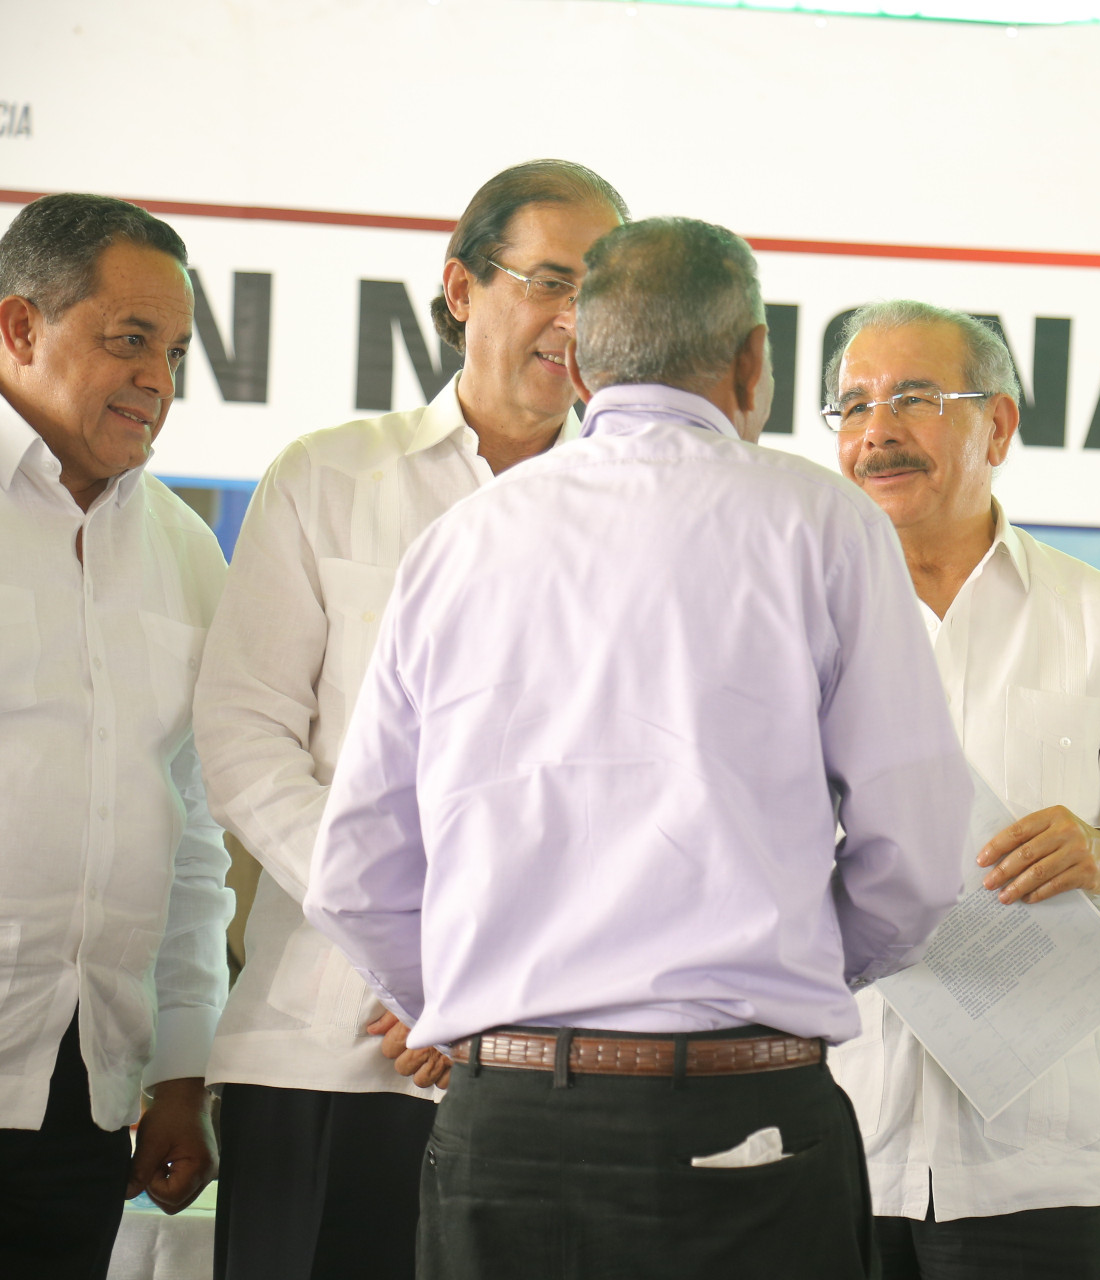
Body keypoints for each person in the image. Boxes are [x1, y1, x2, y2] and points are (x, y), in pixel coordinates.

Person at [305, 217, 971, 1279]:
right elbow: (920, 857)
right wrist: (773, 967)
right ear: (752, 360)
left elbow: (352, 878)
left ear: (578, 365)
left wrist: (491, 1013)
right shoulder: (823, 524)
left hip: (503, 1127)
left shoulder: (458, 542)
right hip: (743, 1123)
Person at [193, 159, 626, 1280]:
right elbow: (243, 740)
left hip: (553, 1058)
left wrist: (498, 973)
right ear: (461, 288)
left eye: (603, 292)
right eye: (550, 280)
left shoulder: (643, 517)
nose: (575, 319)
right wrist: (418, 948)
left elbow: (638, 793)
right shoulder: (329, 477)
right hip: (326, 1044)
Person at [825, 300, 1100, 1279]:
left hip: (1036, 1162)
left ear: (997, 425)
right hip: (833, 1140)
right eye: (853, 404)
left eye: (913, 398)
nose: (877, 431)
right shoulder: (794, 613)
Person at [0, 193, 233, 1277]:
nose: (158, 379)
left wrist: (181, 1069)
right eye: (130, 339)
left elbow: (190, 835)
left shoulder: (186, 551)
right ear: (20, 326)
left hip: (82, 1093)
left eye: (174, 353)